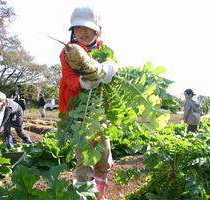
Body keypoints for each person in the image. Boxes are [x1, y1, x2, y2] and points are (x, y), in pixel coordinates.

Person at [58, 5, 118, 200]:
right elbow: (67, 78)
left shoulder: (104, 49)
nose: (83, 32)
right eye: (78, 28)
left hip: (98, 112)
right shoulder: (67, 51)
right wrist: (82, 82)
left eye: (87, 28)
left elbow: (115, 68)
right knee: (84, 162)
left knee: (104, 158)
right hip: (78, 112)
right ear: (72, 31)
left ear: (98, 30)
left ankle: (99, 195)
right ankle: (85, 196)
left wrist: (110, 69)